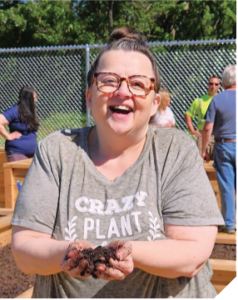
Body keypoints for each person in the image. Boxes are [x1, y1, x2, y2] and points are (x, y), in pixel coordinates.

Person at [11, 27, 224, 299]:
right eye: (109, 80)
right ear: (89, 96)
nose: (123, 91)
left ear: (154, 102)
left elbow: (192, 253)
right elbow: (25, 251)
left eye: (137, 83)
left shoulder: (176, 151)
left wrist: (131, 252)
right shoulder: (57, 151)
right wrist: (68, 253)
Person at [202, 65, 237, 235]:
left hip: (224, 145)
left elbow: (208, 128)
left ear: (223, 81)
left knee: (227, 185)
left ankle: (229, 224)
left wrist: (204, 148)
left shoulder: (217, 99)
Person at [0, 86, 39, 162]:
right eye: (34, 98)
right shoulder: (15, 110)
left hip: (34, 152)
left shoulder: (32, 111)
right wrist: (8, 136)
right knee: (23, 171)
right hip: (17, 152)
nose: (36, 100)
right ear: (28, 100)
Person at [185, 76, 220, 159]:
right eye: (211, 84)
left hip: (217, 136)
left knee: (218, 164)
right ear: (208, 85)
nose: (213, 86)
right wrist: (192, 130)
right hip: (203, 135)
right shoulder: (200, 100)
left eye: (216, 84)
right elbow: (188, 115)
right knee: (202, 163)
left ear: (219, 86)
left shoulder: (221, 100)